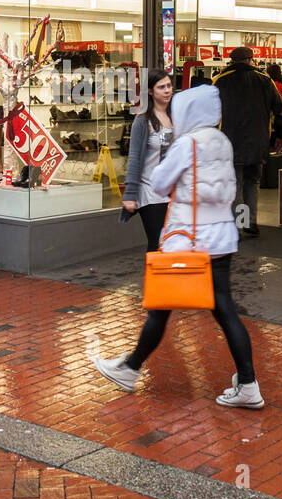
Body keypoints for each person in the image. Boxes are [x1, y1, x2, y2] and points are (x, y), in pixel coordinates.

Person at [94, 85, 264, 409]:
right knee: (225, 309)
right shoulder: (222, 140)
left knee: (160, 307)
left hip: (188, 239)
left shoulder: (187, 144)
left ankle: (130, 368)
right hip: (222, 237)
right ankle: (247, 382)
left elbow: (159, 182)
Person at [212, 46, 282, 236]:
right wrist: (281, 135)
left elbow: (210, 112)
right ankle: (251, 221)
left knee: (235, 183)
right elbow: (279, 110)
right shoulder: (265, 80)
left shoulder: (219, 81)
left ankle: (239, 224)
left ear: (232, 61)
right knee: (252, 181)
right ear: (250, 60)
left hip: (230, 142)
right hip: (258, 140)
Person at [121, 69, 174, 250]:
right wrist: (129, 194)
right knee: (158, 243)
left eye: (168, 85)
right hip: (150, 193)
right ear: (151, 91)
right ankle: (154, 277)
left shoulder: (177, 117)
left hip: (173, 193)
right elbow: (135, 158)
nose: (167, 90)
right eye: (161, 87)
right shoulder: (143, 121)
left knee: (173, 243)